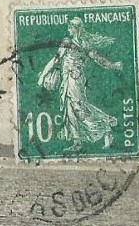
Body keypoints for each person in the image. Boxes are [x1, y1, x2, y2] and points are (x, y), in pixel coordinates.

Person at [38, 17, 123, 153]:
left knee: (79, 108)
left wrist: (113, 65)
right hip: (67, 79)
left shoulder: (78, 43)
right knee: (70, 109)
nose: (68, 29)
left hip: (75, 80)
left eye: (71, 27)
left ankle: (106, 126)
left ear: (76, 28)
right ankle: (77, 142)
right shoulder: (74, 42)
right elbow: (56, 60)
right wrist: (43, 75)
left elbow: (97, 59)